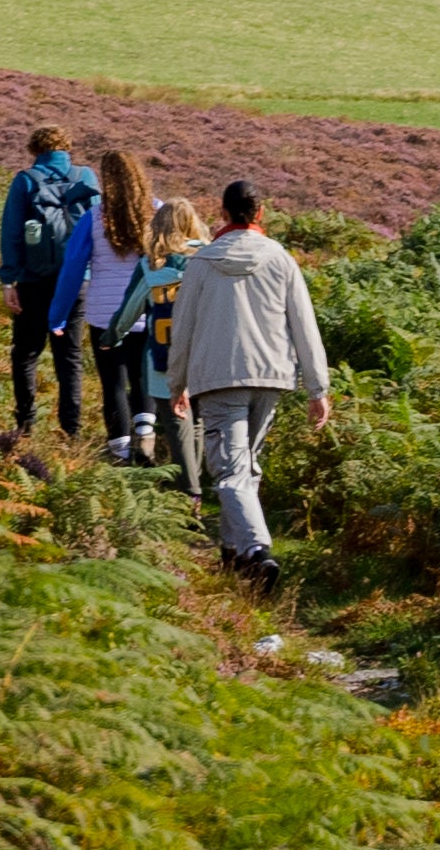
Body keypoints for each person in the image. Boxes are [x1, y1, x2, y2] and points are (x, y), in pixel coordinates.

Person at [164, 177, 331, 588]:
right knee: (244, 469)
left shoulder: (201, 263)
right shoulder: (280, 258)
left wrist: (176, 383)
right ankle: (234, 554)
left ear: (221, 214)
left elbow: (181, 328)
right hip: (272, 377)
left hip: (219, 379)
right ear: (260, 214)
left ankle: (257, 550)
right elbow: (304, 325)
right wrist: (317, 388)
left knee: (233, 471)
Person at [46, 145, 167, 461]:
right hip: (148, 312)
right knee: (144, 379)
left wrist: (57, 316)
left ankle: (120, 452)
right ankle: (146, 438)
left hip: (104, 316)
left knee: (113, 383)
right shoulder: (159, 213)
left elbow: (73, 270)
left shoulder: (94, 218)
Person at [0, 124, 95, 440]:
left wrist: (8, 280)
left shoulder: (26, 181)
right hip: (77, 281)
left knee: (26, 353)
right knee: (70, 357)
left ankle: (25, 425)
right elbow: (100, 230)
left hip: (33, 281)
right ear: (66, 148)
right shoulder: (86, 178)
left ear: (35, 151)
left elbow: (11, 234)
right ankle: (72, 432)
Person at [114, 194, 204, 473]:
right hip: (203, 357)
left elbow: (129, 310)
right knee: (199, 420)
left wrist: (112, 336)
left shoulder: (151, 266)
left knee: (177, 426)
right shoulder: (208, 259)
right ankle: (200, 482)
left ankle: (190, 491)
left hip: (162, 360)